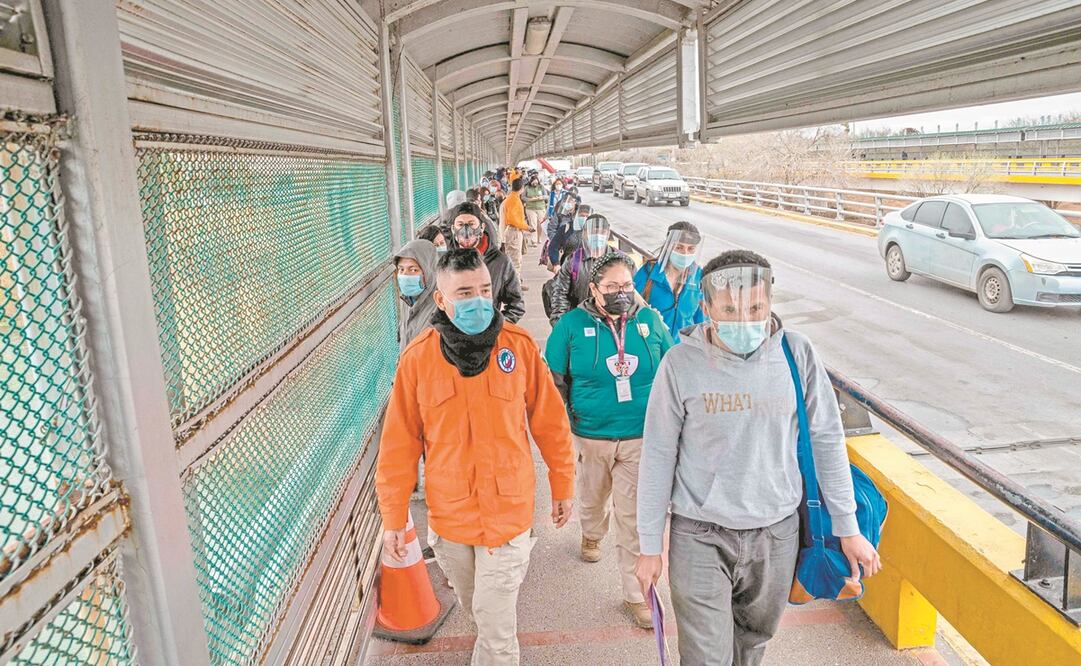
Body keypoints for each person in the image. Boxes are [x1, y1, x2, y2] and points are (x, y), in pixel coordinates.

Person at [635, 250, 881, 666]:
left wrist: (848, 527)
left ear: (769, 302)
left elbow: (826, 440)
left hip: (776, 533)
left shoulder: (796, 354)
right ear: (707, 306)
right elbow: (658, 454)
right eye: (729, 309)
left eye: (755, 307)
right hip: (700, 533)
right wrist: (648, 545)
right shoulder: (679, 364)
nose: (743, 319)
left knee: (753, 643)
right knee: (704, 655)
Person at [376, 248, 575, 666]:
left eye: (485, 289)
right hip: (451, 517)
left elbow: (550, 422)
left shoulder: (517, 347)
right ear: (441, 300)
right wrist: (394, 516)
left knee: (497, 630)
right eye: (465, 292)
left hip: (508, 513)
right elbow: (399, 445)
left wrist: (563, 483)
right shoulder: (418, 360)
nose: (479, 300)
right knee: (477, 610)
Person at [545, 252, 673, 630]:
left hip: (640, 437)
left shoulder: (650, 321)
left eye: (628, 286)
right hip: (592, 436)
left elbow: (673, 367)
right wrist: (569, 419)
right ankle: (591, 532)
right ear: (594, 289)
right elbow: (553, 379)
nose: (622, 293)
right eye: (613, 287)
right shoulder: (570, 326)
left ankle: (638, 594)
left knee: (633, 519)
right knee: (592, 498)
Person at [448, 201, 525, 323]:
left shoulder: (500, 262)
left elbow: (517, 304)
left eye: (471, 224)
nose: (466, 230)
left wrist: (497, 328)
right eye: (460, 224)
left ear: (482, 227)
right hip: (452, 338)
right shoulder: (445, 262)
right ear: (453, 228)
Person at [634, 221, 705, 340]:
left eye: (691, 249)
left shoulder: (698, 277)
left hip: (683, 350)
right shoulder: (648, 273)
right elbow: (630, 307)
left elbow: (702, 320)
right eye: (679, 247)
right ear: (668, 247)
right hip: (652, 346)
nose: (685, 253)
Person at [547, 214, 612, 324]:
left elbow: (632, 298)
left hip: (610, 325)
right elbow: (560, 294)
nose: (597, 236)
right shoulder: (573, 261)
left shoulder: (620, 261)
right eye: (593, 232)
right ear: (585, 233)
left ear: (607, 233)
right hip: (580, 321)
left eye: (601, 232)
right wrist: (560, 325)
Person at [394, 239, 439, 349]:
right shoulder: (407, 299)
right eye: (401, 269)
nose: (406, 275)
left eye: (413, 270)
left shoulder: (440, 308)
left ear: (429, 271)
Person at [499, 178, 533, 288]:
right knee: (515, 260)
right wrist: (527, 227)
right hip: (514, 231)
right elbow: (514, 220)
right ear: (522, 188)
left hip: (514, 231)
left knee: (515, 258)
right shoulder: (514, 200)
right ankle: (515, 285)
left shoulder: (511, 198)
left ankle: (515, 282)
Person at [524, 174, 547, 246]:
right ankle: (534, 240)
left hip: (540, 207)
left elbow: (546, 196)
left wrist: (541, 197)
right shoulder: (527, 187)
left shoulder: (541, 187)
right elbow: (523, 197)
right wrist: (530, 199)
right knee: (533, 224)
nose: (535, 183)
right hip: (530, 208)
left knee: (540, 224)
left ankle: (539, 237)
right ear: (531, 182)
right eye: (533, 182)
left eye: (536, 182)